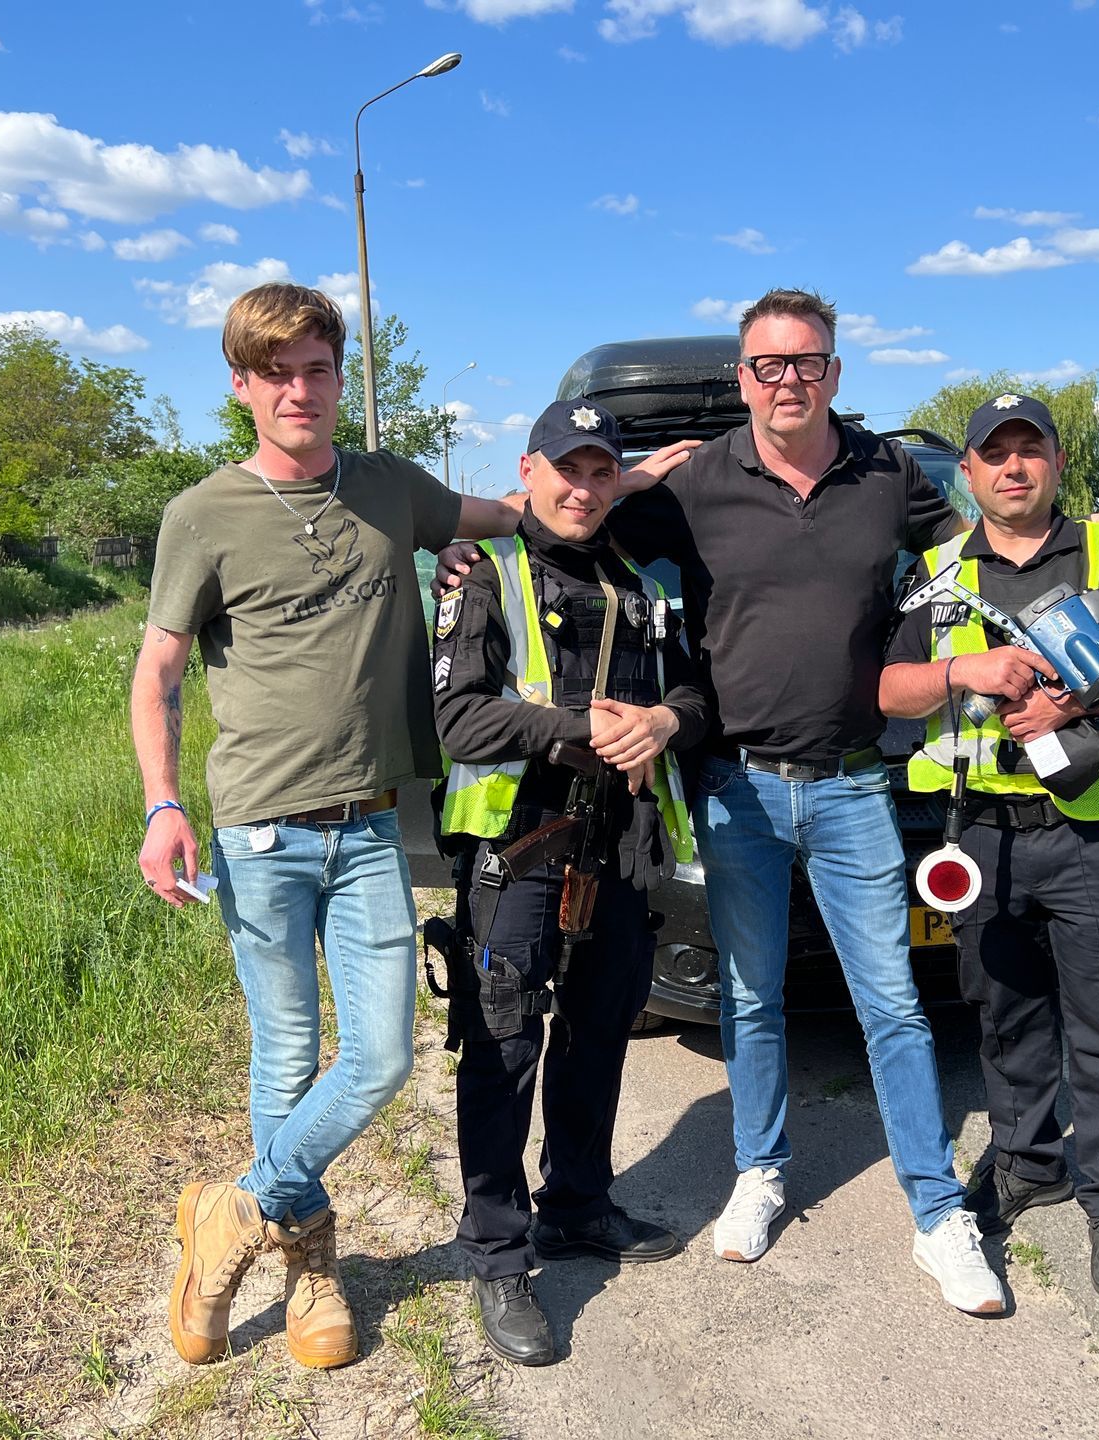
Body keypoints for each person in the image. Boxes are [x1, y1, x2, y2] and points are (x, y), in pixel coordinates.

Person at [441, 287, 1099, 1316]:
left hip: (857, 783)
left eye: (807, 362)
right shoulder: (696, 481)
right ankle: (759, 1173)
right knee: (751, 1001)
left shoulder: (887, 472)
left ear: (834, 372)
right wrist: (466, 543)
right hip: (737, 789)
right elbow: (567, 513)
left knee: (892, 1007)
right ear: (744, 378)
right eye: (768, 365)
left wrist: (1097, 534)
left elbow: (992, 544)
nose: (788, 381)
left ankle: (937, 1211)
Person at [130, 283, 689, 1370]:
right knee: (286, 1057)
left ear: (341, 378)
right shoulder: (203, 513)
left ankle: (232, 1212)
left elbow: (523, 513)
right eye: (277, 373)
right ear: (241, 385)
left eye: (318, 370)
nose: (301, 391)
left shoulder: (391, 487)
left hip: (370, 828)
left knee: (381, 1057)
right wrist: (162, 804)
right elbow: (158, 671)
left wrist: (633, 477)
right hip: (258, 829)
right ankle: (309, 1270)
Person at [879, 392, 1099, 1301]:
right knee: (1005, 1013)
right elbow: (890, 688)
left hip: (1093, 834)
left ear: (1058, 463)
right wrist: (963, 670)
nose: (1014, 467)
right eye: (996, 453)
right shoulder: (938, 571)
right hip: (981, 835)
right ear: (969, 472)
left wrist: (1082, 699)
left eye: (1031, 450)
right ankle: (1027, 1164)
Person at [431, 398, 710, 1365]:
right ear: (530, 470)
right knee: (503, 1047)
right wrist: (576, 728)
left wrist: (665, 722)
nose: (583, 490)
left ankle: (578, 1206)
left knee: (599, 1033)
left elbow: (694, 692)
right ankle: (498, 1251)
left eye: (600, 472)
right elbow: (460, 720)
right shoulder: (483, 573)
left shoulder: (637, 579)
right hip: (520, 846)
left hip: (620, 846)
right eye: (566, 469)